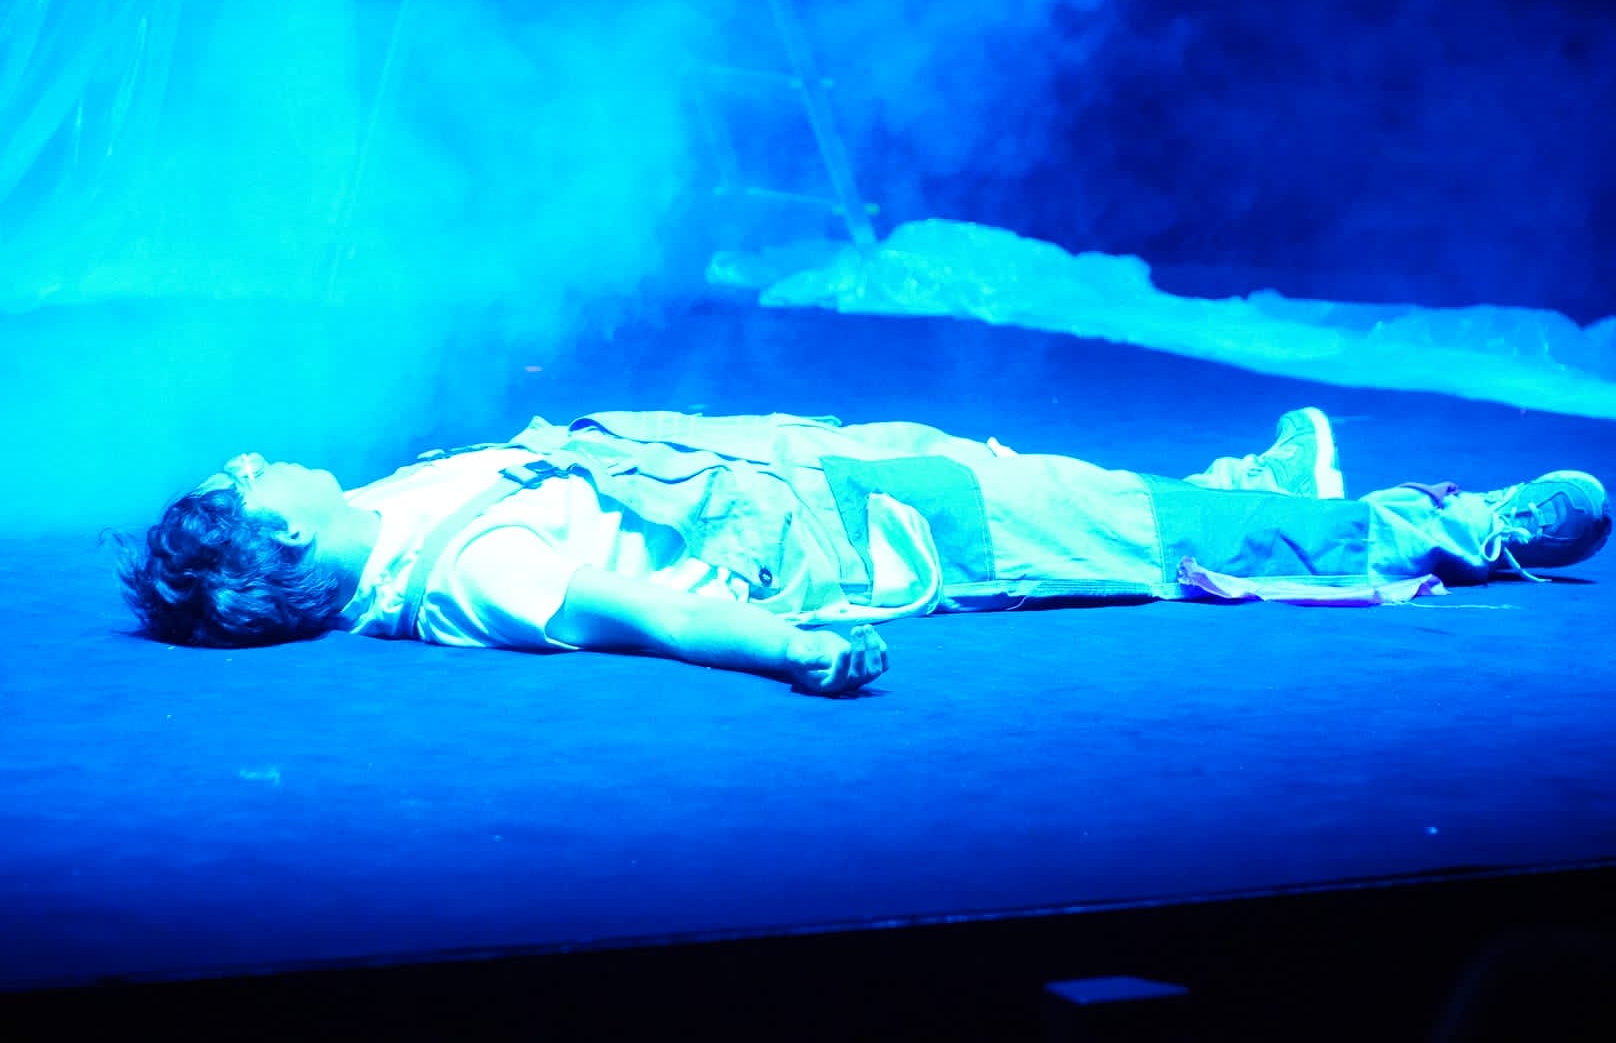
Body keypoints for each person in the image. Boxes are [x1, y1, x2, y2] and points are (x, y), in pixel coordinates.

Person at [117, 408, 1611, 697]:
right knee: (1132, 537)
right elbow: (641, 606)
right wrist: (794, 647)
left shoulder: (391, 509)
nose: (256, 454)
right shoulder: (469, 574)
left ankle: (1248, 495)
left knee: (1073, 489)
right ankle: (1460, 531)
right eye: (245, 479)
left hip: (820, 463)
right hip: (863, 527)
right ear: (284, 530)